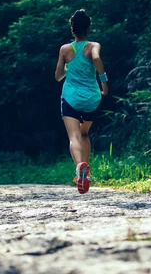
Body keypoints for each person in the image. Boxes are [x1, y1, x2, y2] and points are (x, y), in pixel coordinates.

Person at [55, 10, 108, 194]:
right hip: (91, 98)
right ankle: (87, 172)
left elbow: (58, 76)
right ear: (89, 28)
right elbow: (97, 59)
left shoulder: (65, 49)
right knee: (84, 134)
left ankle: (80, 168)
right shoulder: (94, 45)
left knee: (74, 137)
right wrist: (104, 83)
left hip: (71, 98)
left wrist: (68, 69)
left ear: (72, 29)